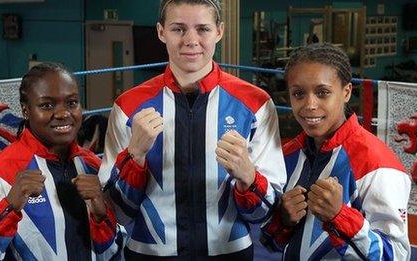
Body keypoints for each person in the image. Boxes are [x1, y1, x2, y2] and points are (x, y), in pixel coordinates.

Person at [98, 0, 286, 259]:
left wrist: (248, 178)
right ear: (161, 32)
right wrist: (134, 157)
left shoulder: (255, 104)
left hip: (228, 253)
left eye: (202, 29)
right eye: (178, 29)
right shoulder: (128, 106)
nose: (191, 40)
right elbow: (116, 212)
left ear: (219, 31)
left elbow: (265, 214)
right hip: (150, 253)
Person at [260, 43, 411, 260]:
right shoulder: (288, 154)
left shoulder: (377, 164)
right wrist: (283, 221)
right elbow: (271, 243)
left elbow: (397, 256)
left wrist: (340, 217)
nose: (310, 104)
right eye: (298, 93)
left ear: (347, 91)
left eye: (323, 93)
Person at [0, 63, 124, 260]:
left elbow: (115, 252)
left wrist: (101, 216)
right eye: (47, 105)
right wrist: (8, 210)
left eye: (72, 103)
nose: (63, 114)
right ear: (26, 110)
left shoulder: (93, 167)